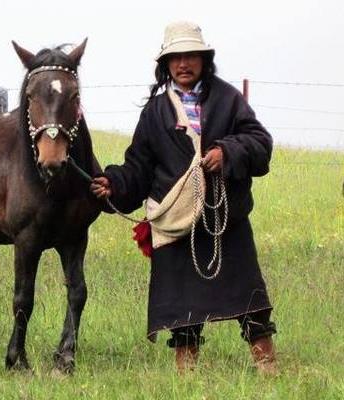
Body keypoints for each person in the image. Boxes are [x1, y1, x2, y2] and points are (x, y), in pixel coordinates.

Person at [91, 21, 277, 374]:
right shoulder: (155, 111)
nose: (183, 64)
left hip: (226, 220)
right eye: (175, 58)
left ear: (204, 59)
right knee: (182, 309)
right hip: (177, 223)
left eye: (190, 55)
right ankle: (186, 382)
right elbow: (139, 167)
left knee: (251, 300)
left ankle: (269, 371)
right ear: (166, 65)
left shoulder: (228, 99)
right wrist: (114, 185)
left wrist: (227, 151)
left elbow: (260, 143)